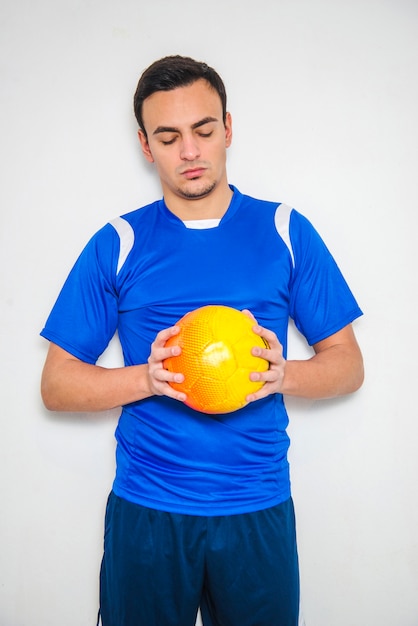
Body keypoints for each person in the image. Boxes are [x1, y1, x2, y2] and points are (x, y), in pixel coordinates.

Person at [40, 55, 364, 626]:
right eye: (168, 137)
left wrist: (283, 374)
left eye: (203, 130)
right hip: (149, 511)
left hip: (257, 509)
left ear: (228, 129)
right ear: (146, 145)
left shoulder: (285, 230)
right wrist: (146, 378)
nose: (189, 151)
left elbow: (348, 365)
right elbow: (57, 385)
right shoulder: (118, 241)